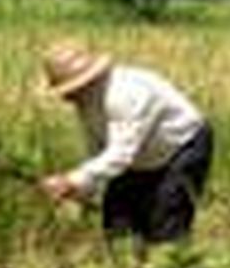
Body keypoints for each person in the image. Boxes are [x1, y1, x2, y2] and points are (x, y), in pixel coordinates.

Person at [39, 40, 214, 256]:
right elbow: (98, 149)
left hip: (181, 147)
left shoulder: (125, 94)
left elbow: (121, 154)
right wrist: (83, 190)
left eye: (68, 89)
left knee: (166, 224)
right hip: (139, 156)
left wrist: (71, 180)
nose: (65, 97)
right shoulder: (86, 101)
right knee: (117, 223)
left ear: (86, 82)